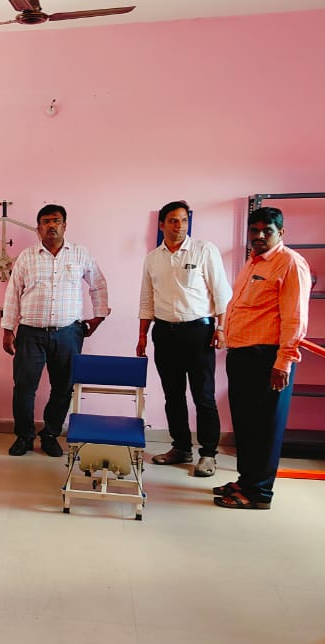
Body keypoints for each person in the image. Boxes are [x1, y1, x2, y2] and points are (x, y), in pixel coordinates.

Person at [217, 206, 311, 510]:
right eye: (254, 230)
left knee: (264, 427)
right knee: (245, 424)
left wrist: (283, 362)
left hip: (267, 358)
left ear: (280, 232)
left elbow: (295, 318)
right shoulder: (253, 261)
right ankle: (246, 480)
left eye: (266, 231)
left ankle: (258, 492)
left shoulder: (290, 263)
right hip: (242, 355)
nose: (259, 236)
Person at [1, 204, 110, 458]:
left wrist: (99, 316)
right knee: (24, 387)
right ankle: (24, 436)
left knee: (63, 387)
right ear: (38, 228)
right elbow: (13, 292)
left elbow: (98, 284)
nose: (52, 225)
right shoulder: (27, 257)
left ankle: (50, 434)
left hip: (68, 333)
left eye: (56, 221)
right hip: (30, 333)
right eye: (46, 221)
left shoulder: (80, 254)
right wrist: (7, 328)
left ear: (65, 225)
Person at [137, 201, 233, 478]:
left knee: (203, 396)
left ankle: (208, 453)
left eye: (183, 220)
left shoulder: (204, 250)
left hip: (199, 333)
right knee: (173, 395)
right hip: (164, 333)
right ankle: (181, 447)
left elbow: (221, 294)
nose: (179, 226)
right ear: (162, 225)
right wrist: (142, 335)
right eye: (173, 221)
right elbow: (147, 299)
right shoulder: (152, 258)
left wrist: (221, 328)